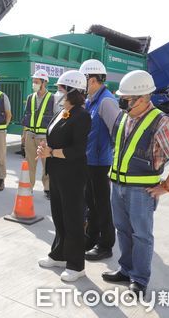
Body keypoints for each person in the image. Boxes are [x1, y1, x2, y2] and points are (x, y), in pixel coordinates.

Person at [101, 70, 169, 298]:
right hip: (118, 185)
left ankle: (139, 279)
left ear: (143, 98)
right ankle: (126, 269)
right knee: (123, 230)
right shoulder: (124, 117)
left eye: (127, 99)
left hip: (142, 191)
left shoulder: (161, 122)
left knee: (141, 235)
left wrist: (167, 185)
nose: (122, 102)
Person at [37, 70, 91, 282]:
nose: (57, 93)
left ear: (72, 91)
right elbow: (55, 138)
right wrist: (46, 147)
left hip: (73, 175)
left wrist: (53, 152)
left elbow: (78, 149)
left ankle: (76, 265)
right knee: (59, 215)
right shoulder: (62, 112)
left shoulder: (82, 115)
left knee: (73, 219)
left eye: (60, 89)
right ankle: (58, 254)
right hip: (57, 172)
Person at [79, 59, 119, 260]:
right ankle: (91, 237)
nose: (81, 84)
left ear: (92, 80)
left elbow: (118, 132)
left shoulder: (106, 101)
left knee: (102, 204)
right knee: (91, 203)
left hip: (101, 162)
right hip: (90, 160)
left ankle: (106, 244)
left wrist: (106, 151)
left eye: (83, 80)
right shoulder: (91, 100)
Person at [20, 69, 54, 199]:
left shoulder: (52, 98)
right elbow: (26, 116)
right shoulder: (30, 98)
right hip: (30, 135)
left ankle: (48, 188)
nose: (34, 84)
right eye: (33, 81)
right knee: (30, 164)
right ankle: (29, 187)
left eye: (36, 82)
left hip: (44, 137)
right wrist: (24, 134)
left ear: (44, 82)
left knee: (47, 164)